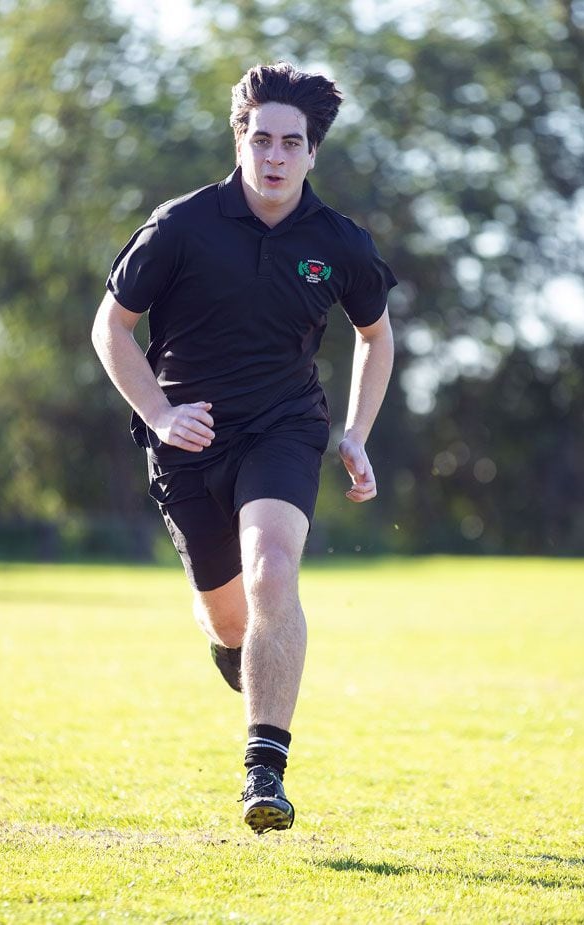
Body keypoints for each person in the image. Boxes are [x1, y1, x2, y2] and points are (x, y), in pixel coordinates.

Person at [91, 62, 397, 835]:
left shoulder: (338, 244)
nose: (272, 157)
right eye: (260, 138)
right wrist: (159, 413)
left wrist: (355, 431)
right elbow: (111, 328)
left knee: (272, 574)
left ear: (311, 153)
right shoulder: (181, 225)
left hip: (284, 429)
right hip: (188, 439)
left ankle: (265, 770)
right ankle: (243, 654)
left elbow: (375, 336)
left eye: (290, 143)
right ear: (240, 138)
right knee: (229, 619)